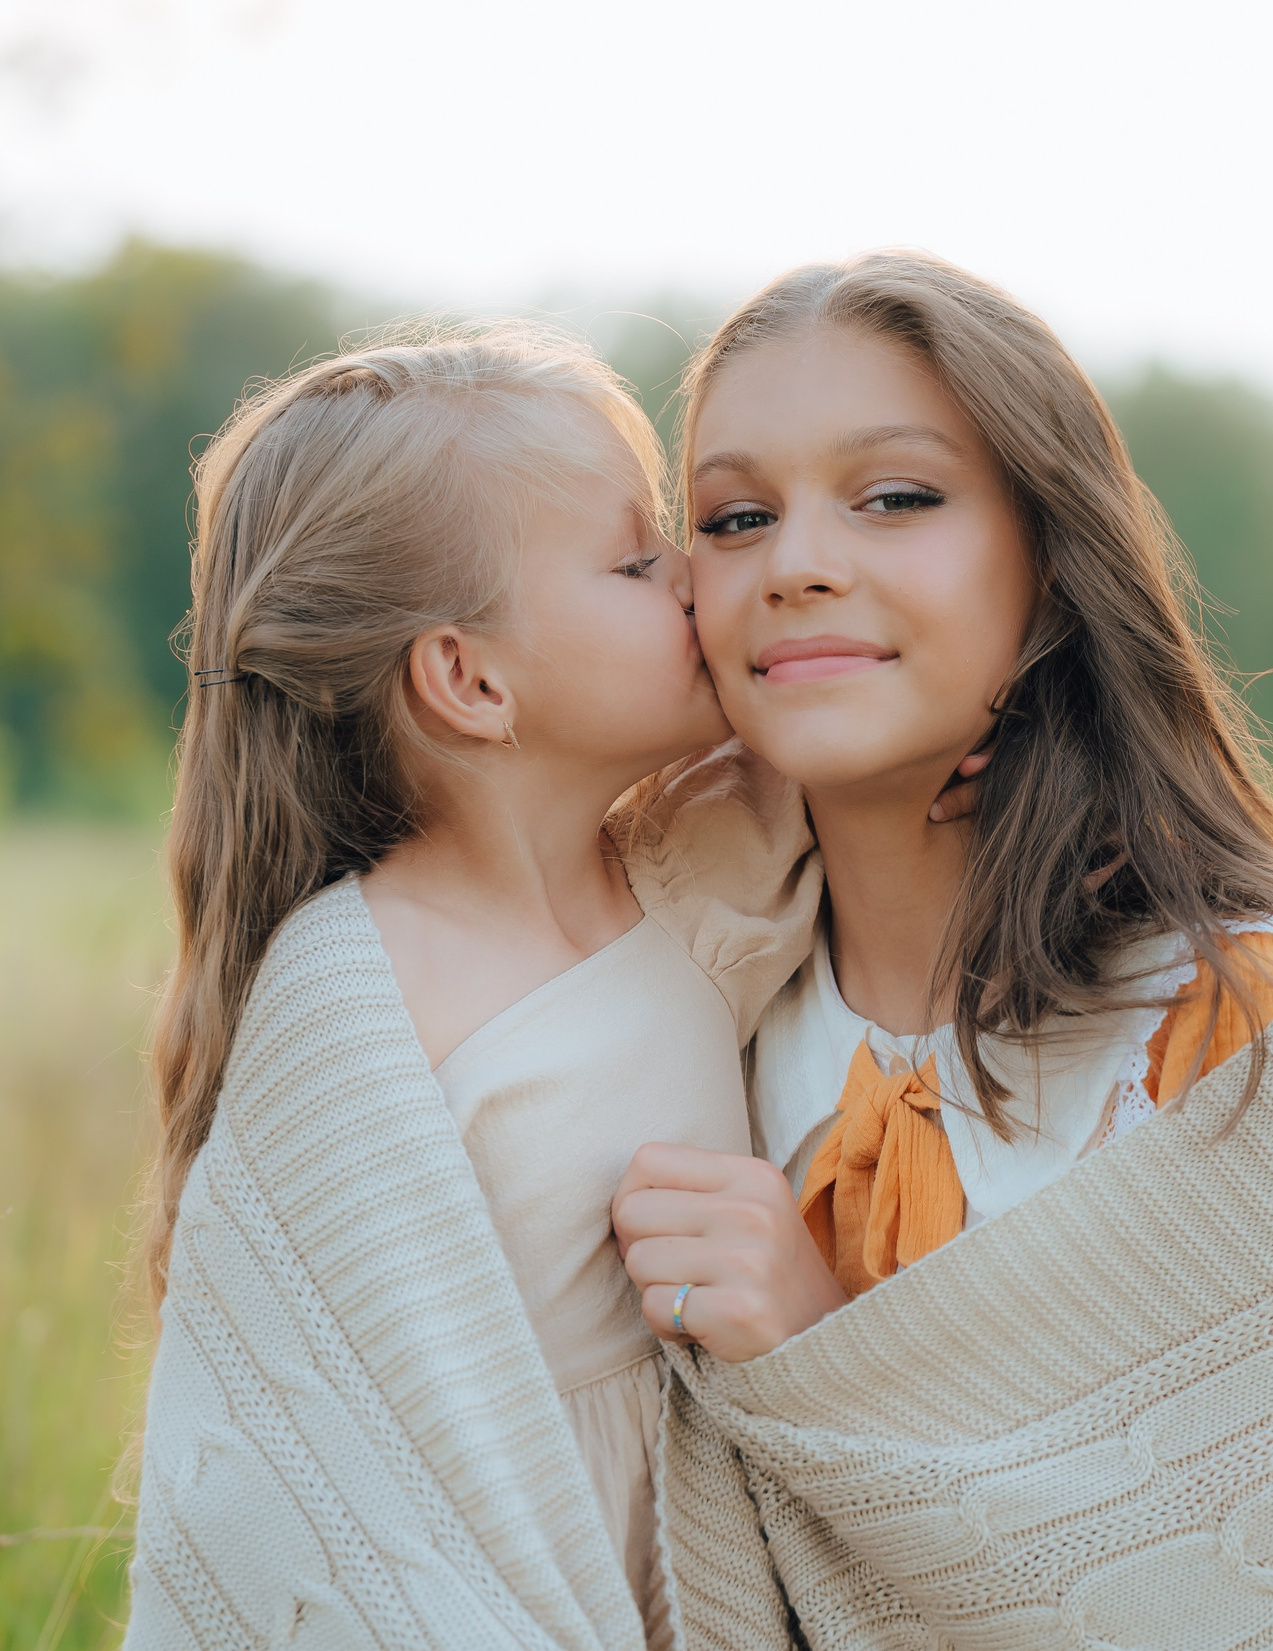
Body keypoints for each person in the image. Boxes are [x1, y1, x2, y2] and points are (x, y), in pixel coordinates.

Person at [614, 252, 1273, 1651]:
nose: (799, 565)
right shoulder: (672, 1005)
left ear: (1050, 558)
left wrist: (806, 1344)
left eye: (897, 497)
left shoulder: (1246, 1025)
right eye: (733, 518)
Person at [125, 325, 881, 1650]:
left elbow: (886, 749)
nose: (699, 580)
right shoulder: (358, 1004)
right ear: (471, 680)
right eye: (639, 561)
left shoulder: (685, 877)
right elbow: (316, 1476)